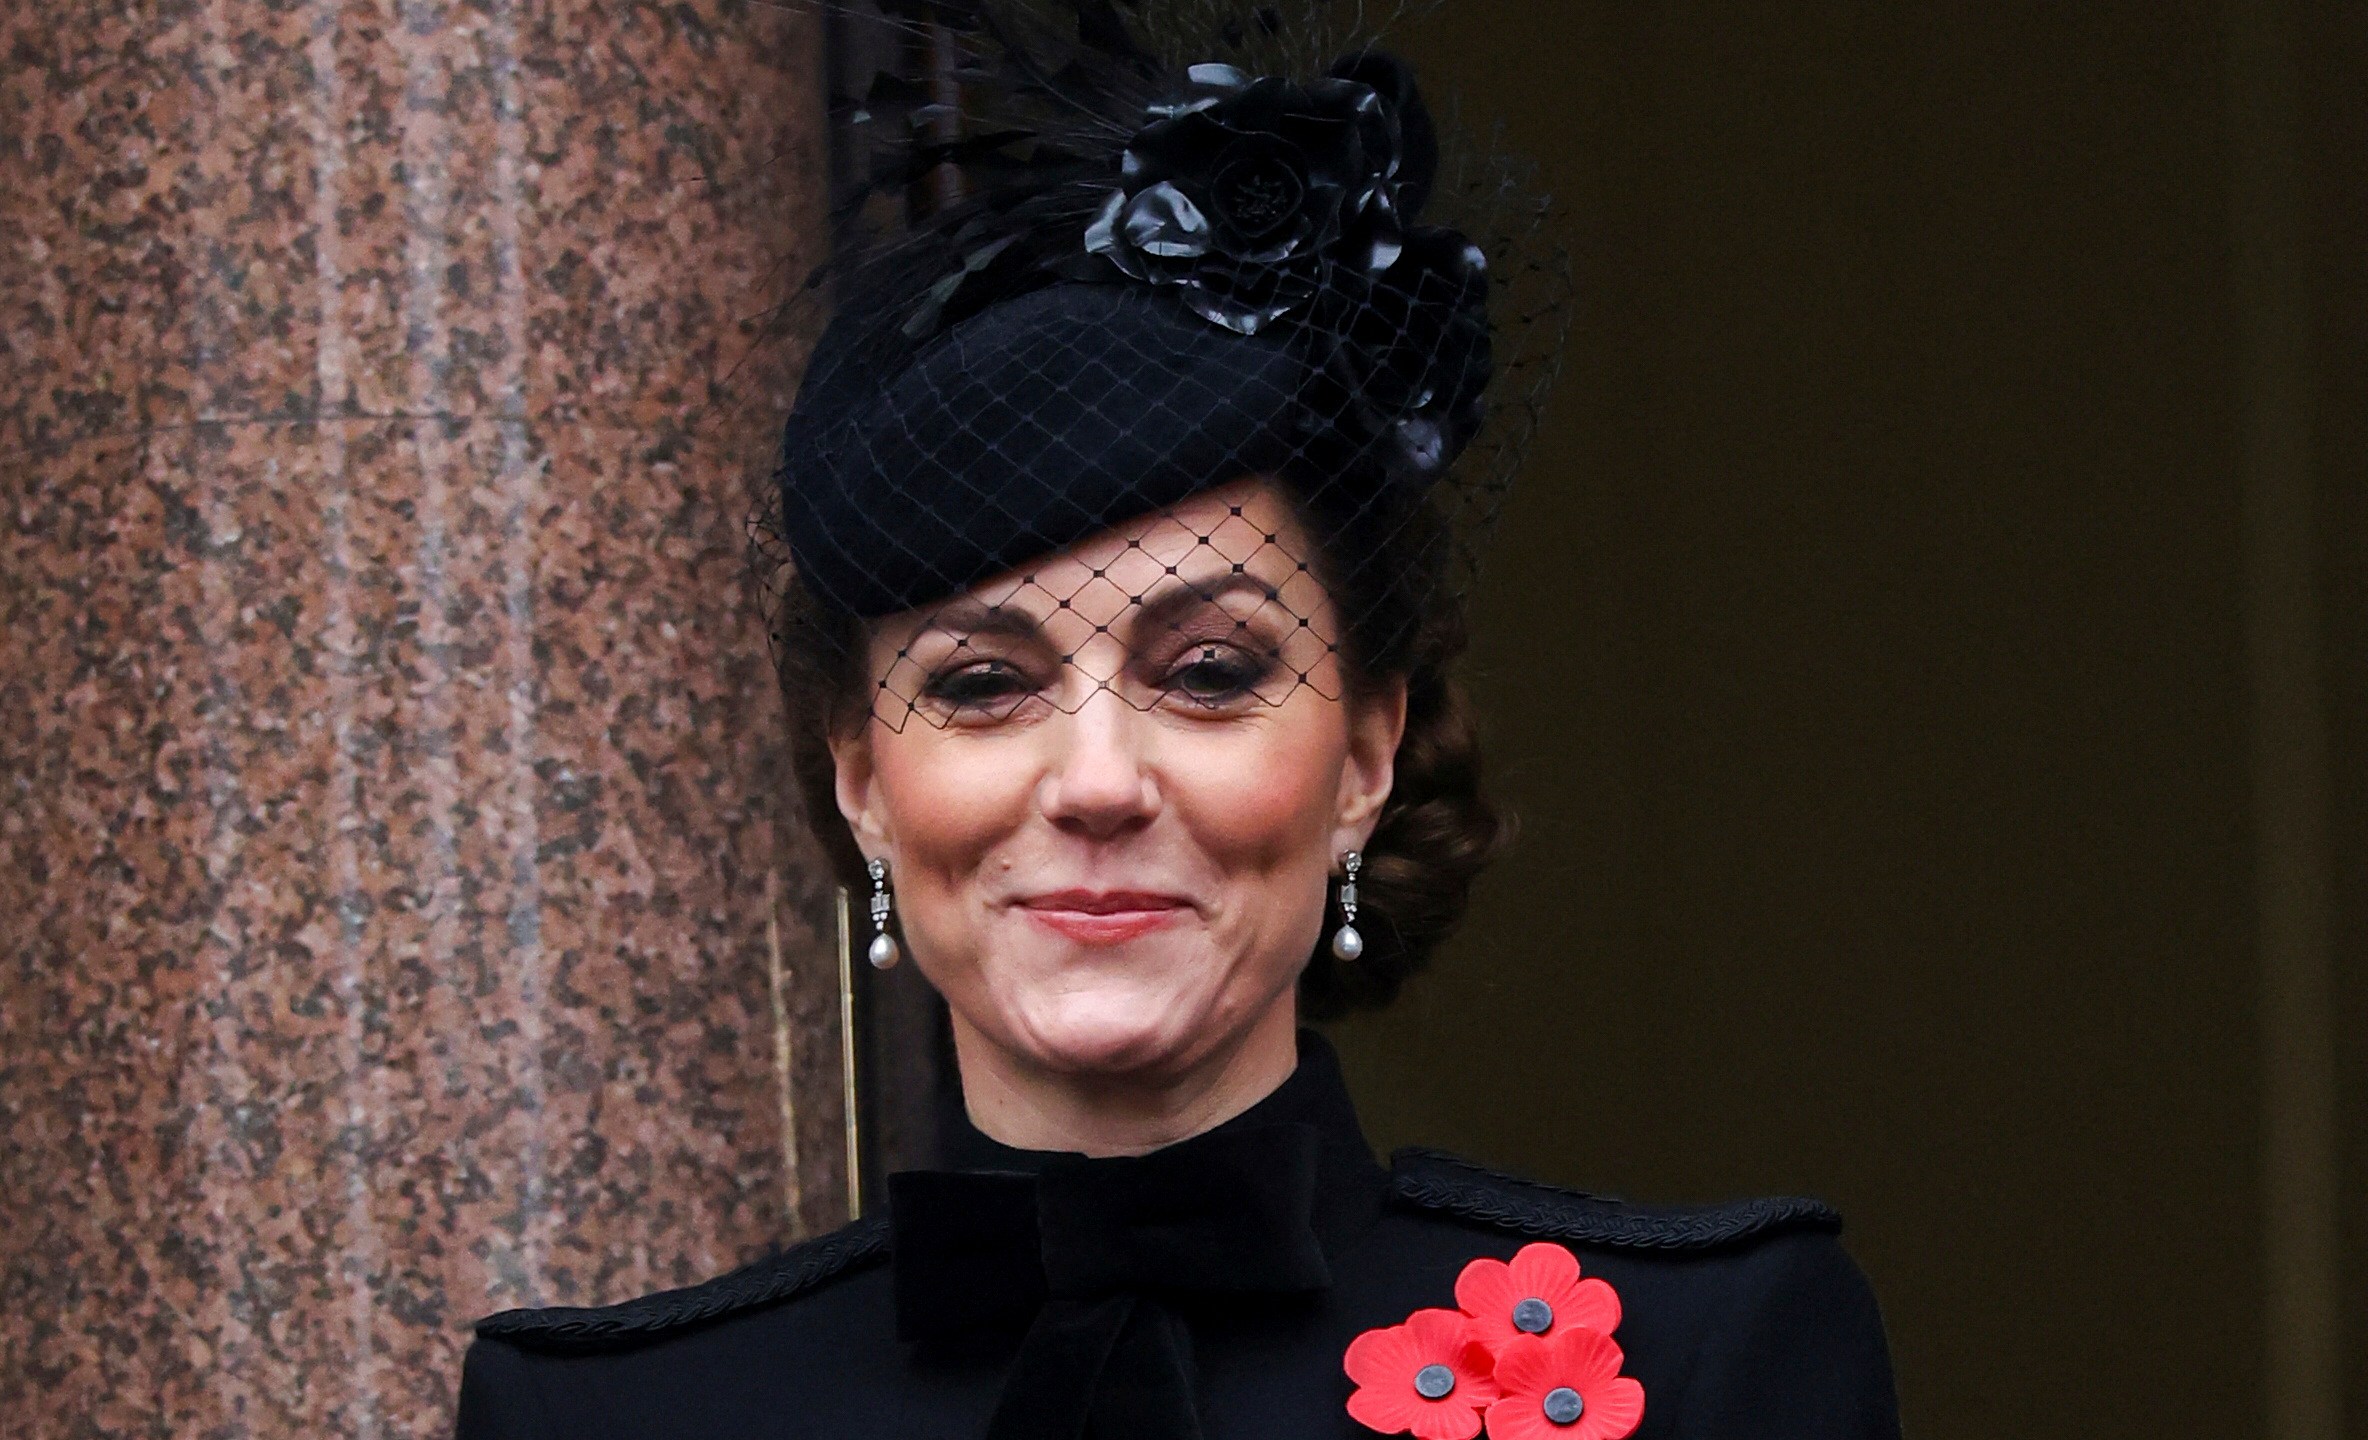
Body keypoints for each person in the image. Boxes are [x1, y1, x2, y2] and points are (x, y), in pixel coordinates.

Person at [455, 4, 1901, 1436]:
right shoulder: (609, 1415)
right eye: (981, 684)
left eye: (1209, 673)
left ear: (1367, 754)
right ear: (861, 778)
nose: (1097, 780)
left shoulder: (1713, 1361)